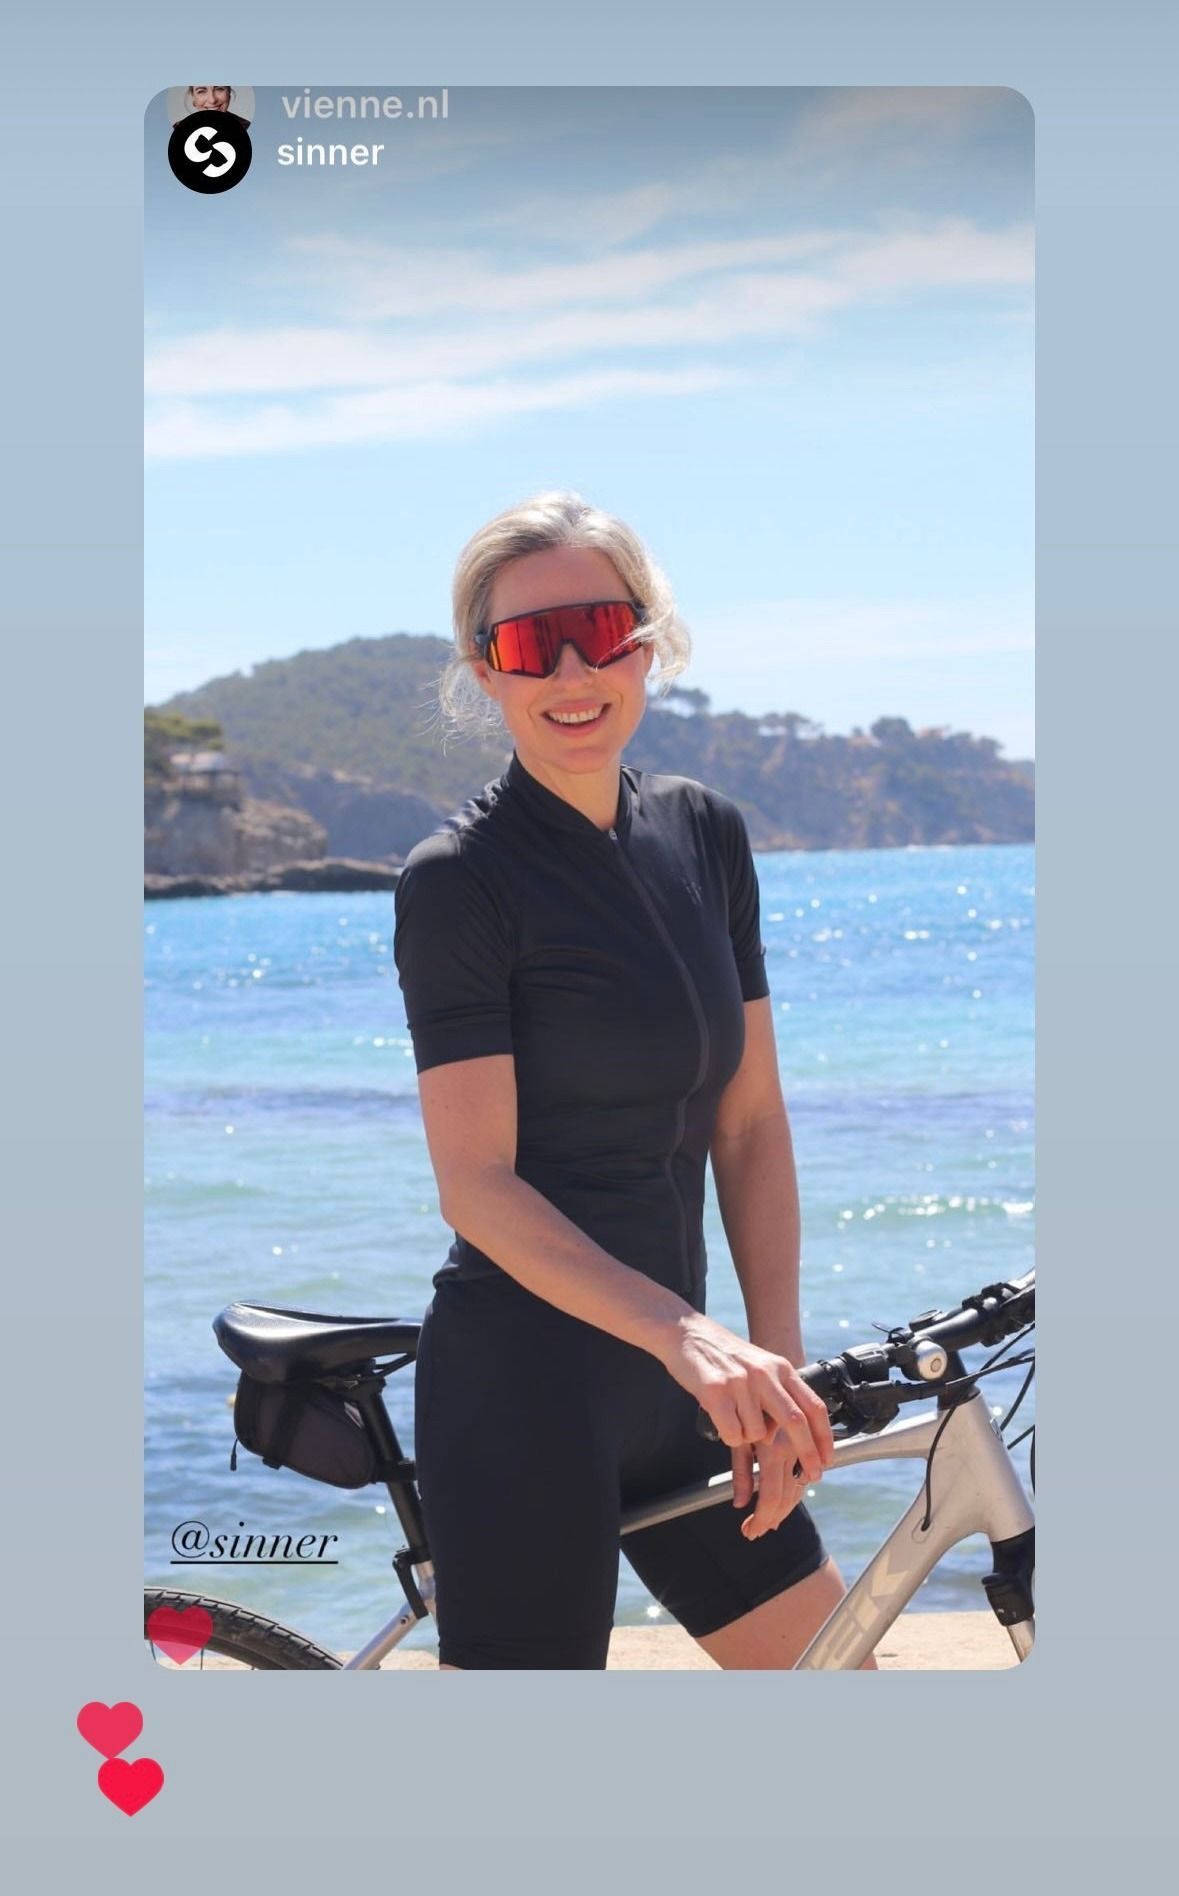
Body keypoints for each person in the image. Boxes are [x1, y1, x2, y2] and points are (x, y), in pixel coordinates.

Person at [393, 491, 877, 1671]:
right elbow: (475, 1184)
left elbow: (750, 1125)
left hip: (693, 1387)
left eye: (601, 630)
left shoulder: (706, 832)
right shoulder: (458, 880)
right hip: (525, 1399)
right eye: (529, 644)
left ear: (649, 644)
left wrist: (775, 1358)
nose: (571, 671)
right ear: (486, 672)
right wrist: (688, 1337)